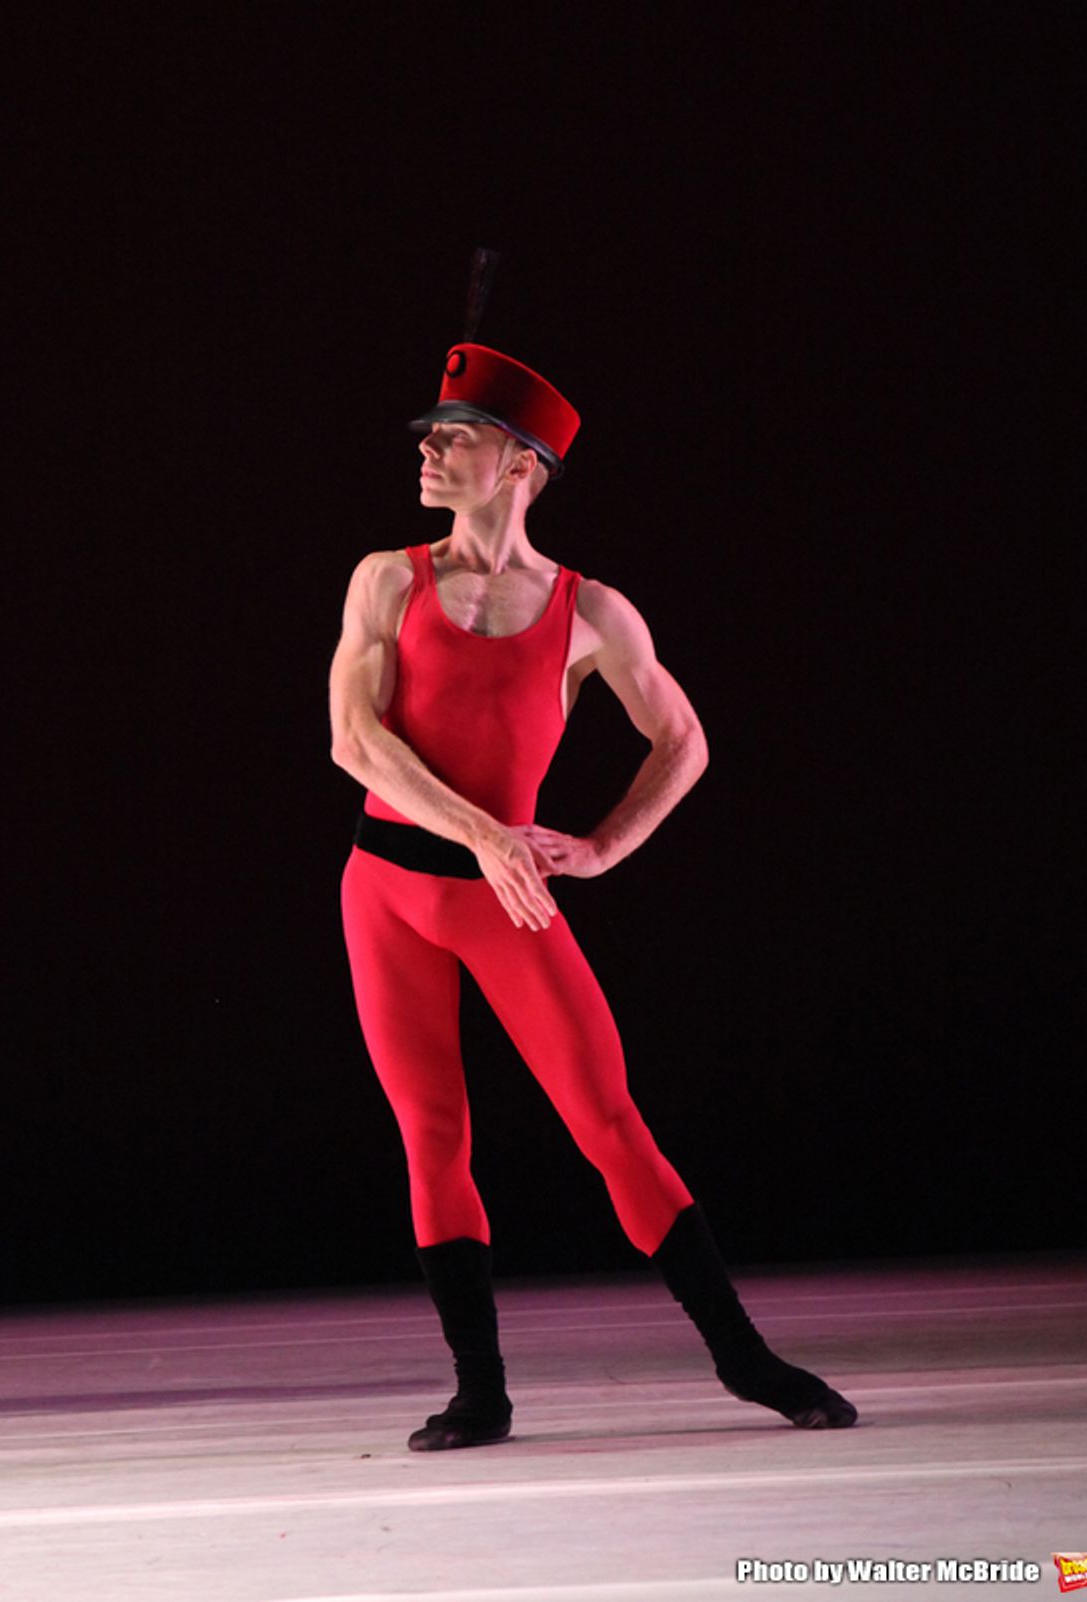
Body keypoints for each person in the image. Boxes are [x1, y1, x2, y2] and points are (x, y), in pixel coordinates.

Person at [329, 342, 857, 1449]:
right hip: (386, 892)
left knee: (609, 1122)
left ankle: (745, 1359)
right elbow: (354, 742)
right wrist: (484, 832)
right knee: (433, 1134)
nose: (428, 451)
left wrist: (605, 848)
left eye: (456, 437)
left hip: (506, 899)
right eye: (431, 435)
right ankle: (480, 1390)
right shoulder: (387, 578)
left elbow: (684, 740)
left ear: (521, 464)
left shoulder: (591, 612)